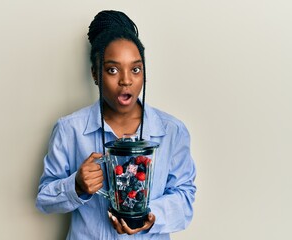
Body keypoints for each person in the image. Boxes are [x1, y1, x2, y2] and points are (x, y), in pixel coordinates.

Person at [36, 10, 196, 240]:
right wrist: (77, 186)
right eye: (112, 69)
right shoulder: (69, 130)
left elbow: (186, 197)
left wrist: (151, 216)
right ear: (95, 74)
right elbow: (44, 200)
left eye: (135, 69)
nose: (126, 80)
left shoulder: (172, 131)